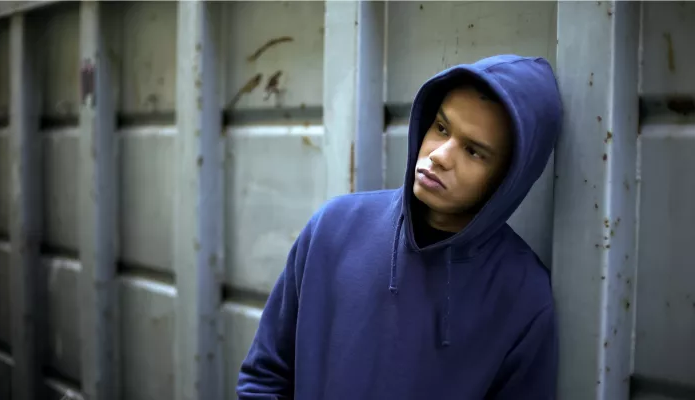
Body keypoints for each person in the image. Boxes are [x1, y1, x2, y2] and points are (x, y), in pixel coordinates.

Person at [236, 54, 562, 400]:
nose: (440, 156)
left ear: (508, 178)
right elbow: (264, 378)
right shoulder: (332, 230)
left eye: (473, 151)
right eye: (441, 128)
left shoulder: (523, 294)